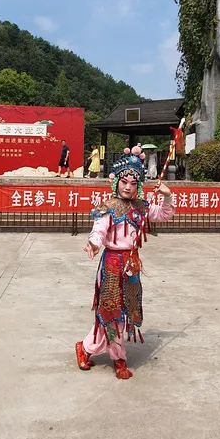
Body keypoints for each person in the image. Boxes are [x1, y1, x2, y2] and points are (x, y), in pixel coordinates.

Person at [76, 147, 175, 379]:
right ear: (116, 182)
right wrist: (93, 243)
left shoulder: (142, 207)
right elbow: (99, 230)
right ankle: (118, 358)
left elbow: (165, 215)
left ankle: (87, 347)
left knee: (124, 313)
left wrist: (167, 196)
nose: (128, 186)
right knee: (110, 313)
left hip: (131, 265)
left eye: (133, 182)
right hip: (111, 263)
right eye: (124, 181)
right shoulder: (108, 206)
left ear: (138, 185)